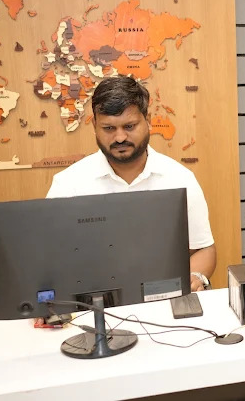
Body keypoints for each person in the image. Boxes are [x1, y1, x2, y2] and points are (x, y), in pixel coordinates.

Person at [46, 76, 215, 292]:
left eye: (129, 126)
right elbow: (50, 258)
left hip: (163, 299)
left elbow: (203, 249)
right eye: (109, 128)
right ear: (95, 126)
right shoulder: (68, 184)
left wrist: (196, 277)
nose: (119, 137)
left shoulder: (180, 179)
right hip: (93, 302)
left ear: (148, 120)